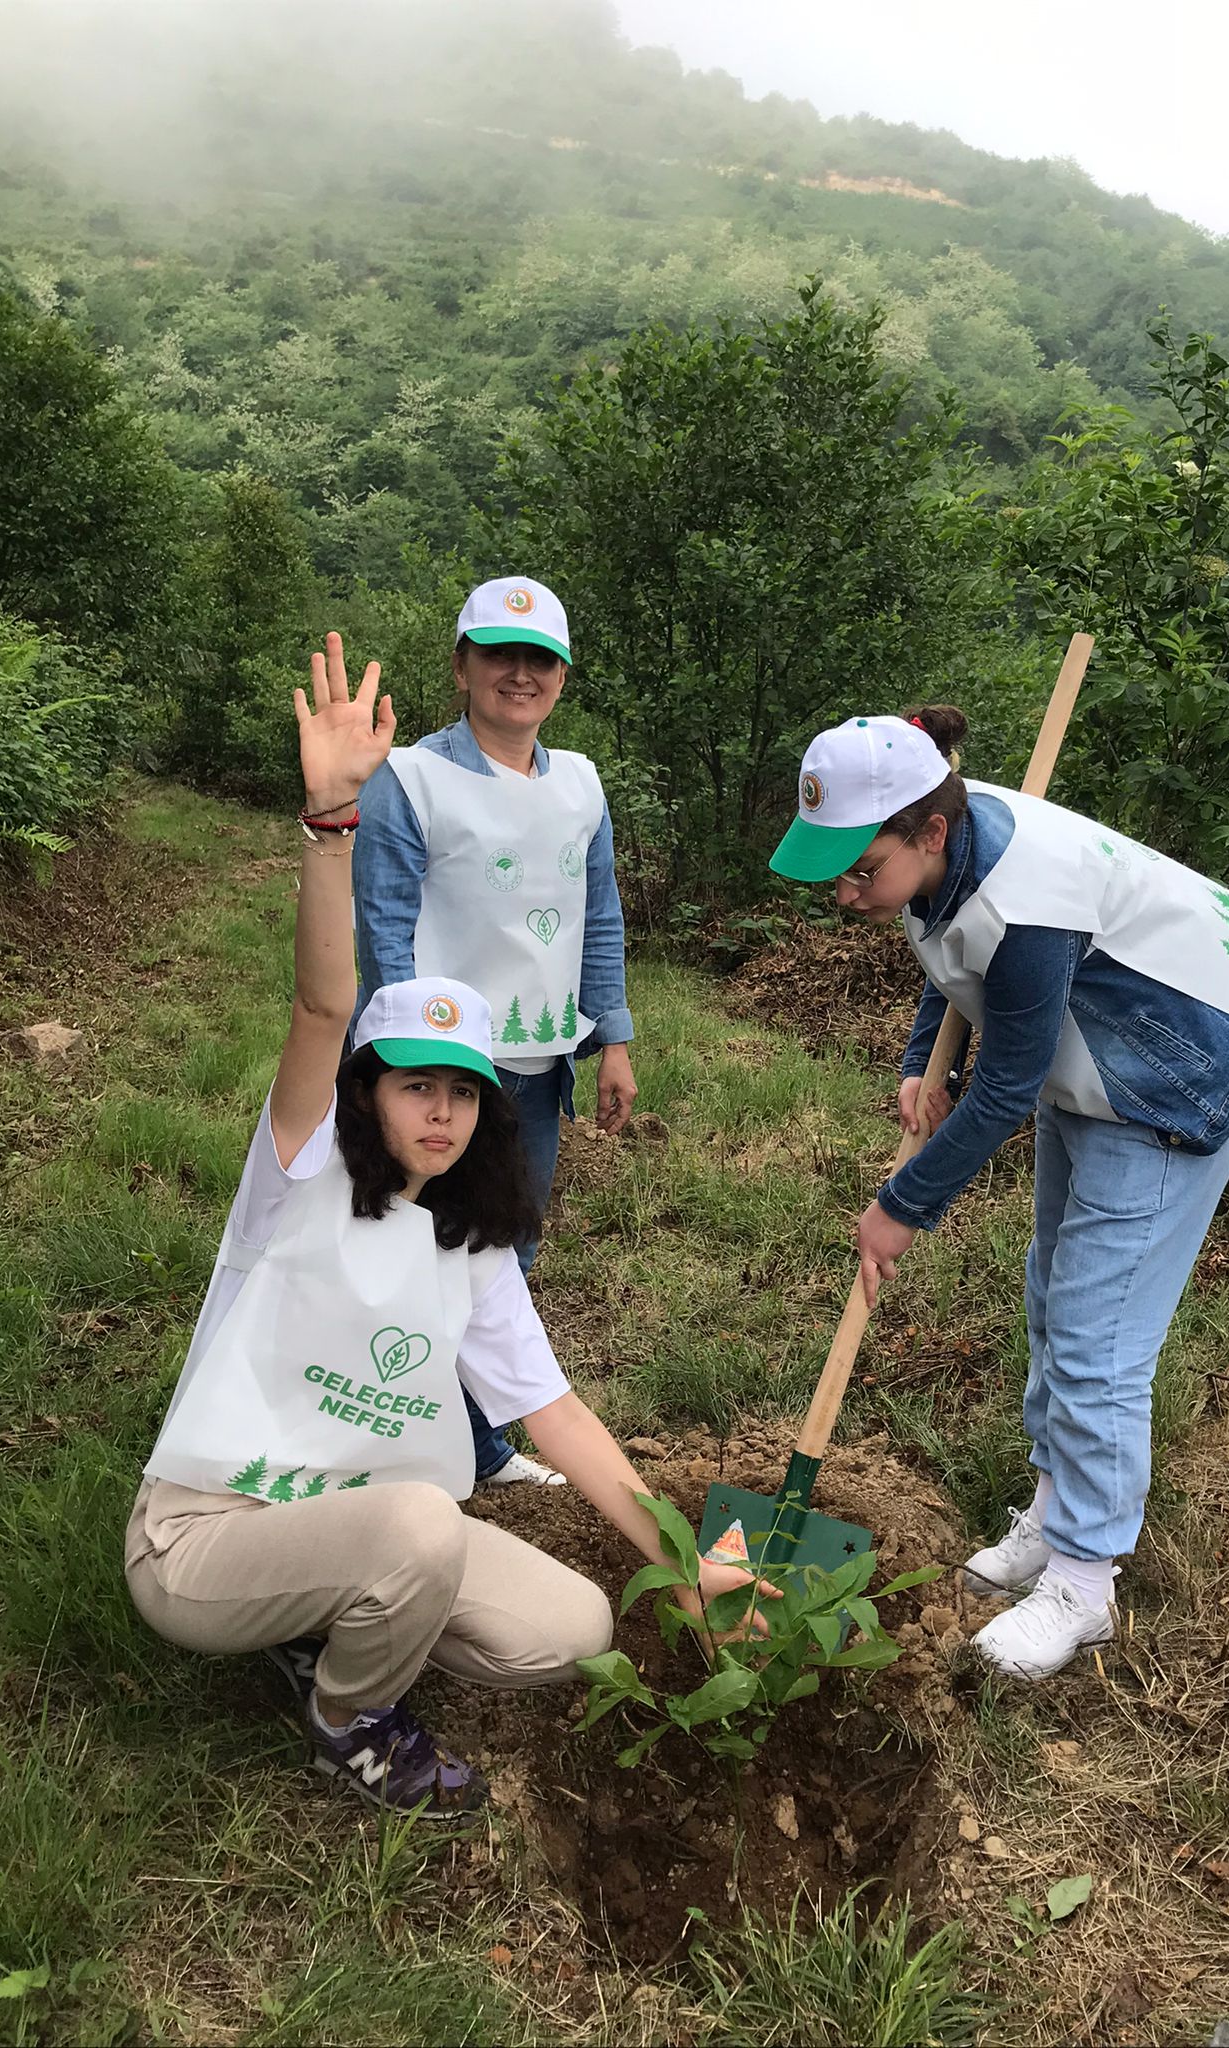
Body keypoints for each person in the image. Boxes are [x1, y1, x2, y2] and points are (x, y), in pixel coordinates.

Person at [126, 637, 765, 1812]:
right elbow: (324, 1002)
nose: (439, 1106)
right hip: (206, 1533)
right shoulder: (297, 1172)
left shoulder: (469, 1248)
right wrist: (330, 823)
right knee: (422, 1521)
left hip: (358, 1520)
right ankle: (347, 1709)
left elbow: (554, 1412)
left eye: (463, 1088)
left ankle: (320, 1612)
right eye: (413, 1079)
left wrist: (681, 1569)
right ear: (366, 1089)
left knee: (571, 1628)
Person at [769, 709, 1229, 1682]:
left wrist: (903, 1203)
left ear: (930, 831)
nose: (846, 890)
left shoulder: (1029, 896)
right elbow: (951, 955)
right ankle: (1053, 1513)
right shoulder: (943, 847)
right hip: (1095, 1051)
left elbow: (1003, 1080)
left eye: (860, 868)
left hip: (1174, 1070)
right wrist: (923, 1062)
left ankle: (1084, 1585)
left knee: (1100, 1334)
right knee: (1052, 1293)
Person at [352, 576, 637, 1489]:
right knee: (400, 1247)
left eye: (540, 659)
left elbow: (599, 917)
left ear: (561, 675)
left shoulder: (582, 785)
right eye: (500, 654)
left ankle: (475, 1445)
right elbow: (383, 928)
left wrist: (614, 1039)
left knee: (505, 1252)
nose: (521, 674)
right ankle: (385, 1439)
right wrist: (405, 1071)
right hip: (438, 1071)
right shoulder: (409, 780)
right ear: (463, 664)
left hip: (538, 1069)